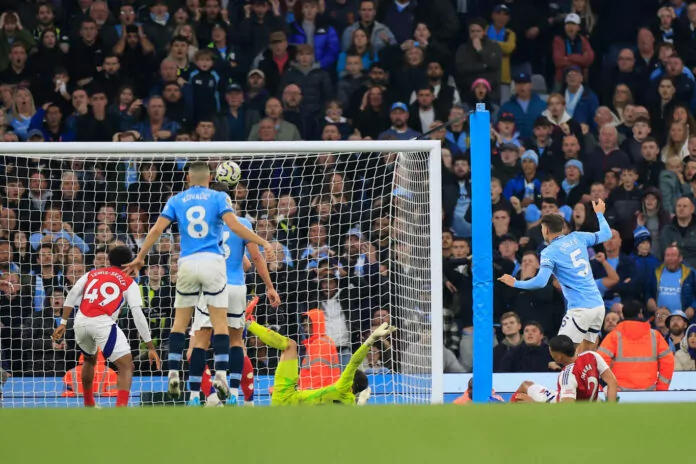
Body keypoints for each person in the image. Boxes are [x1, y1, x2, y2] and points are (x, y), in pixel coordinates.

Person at [123, 161, 273, 402]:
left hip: (186, 263)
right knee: (225, 329)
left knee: (184, 326)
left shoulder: (176, 200)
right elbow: (237, 232)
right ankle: (225, 380)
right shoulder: (219, 199)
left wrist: (140, 256)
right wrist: (265, 243)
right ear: (210, 177)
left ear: (188, 178)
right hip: (216, 268)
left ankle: (176, 375)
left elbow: (155, 231)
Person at [187, 182, 281, 406]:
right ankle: (237, 394)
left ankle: (199, 396)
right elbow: (253, 261)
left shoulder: (201, 226)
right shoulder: (243, 223)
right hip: (236, 287)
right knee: (237, 342)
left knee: (197, 344)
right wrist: (269, 286)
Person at [51, 246, 161, 408]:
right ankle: (121, 409)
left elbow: (73, 294)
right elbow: (138, 314)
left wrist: (63, 322)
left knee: (89, 360)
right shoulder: (129, 282)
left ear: (109, 261)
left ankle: (89, 404)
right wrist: (150, 346)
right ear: (129, 263)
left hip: (80, 322)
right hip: (103, 323)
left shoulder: (91, 274)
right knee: (127, 365)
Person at [498, 199, 612, 353]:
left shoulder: (549, 252)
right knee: (588, 354)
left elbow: (540, 282)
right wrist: (599, 214)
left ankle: (568, 376)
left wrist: (516, 283)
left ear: (545, 230)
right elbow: (606, 233)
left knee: (559, 351)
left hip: (580, 309)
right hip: (598, 306)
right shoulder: (578, 237)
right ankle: (590, 376)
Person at [246, 320, 395, 405]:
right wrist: (361, 402)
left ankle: (248, 322)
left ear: (350, 384)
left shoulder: (342, 387)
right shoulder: (348, 403)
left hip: (285, 394)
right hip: (287, 410)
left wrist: (371, 339)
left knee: (290, 345)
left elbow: (355, 361)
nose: (343, 376)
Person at [513, 334, 619, 403]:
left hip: (560, 409)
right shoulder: (592, 356)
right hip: (590, 406)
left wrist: (533, 404)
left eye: (551, 351)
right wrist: (610, 411)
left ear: (559, 356)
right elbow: (612, 381)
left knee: (524, 387)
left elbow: (566, 413)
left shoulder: (567, 375)